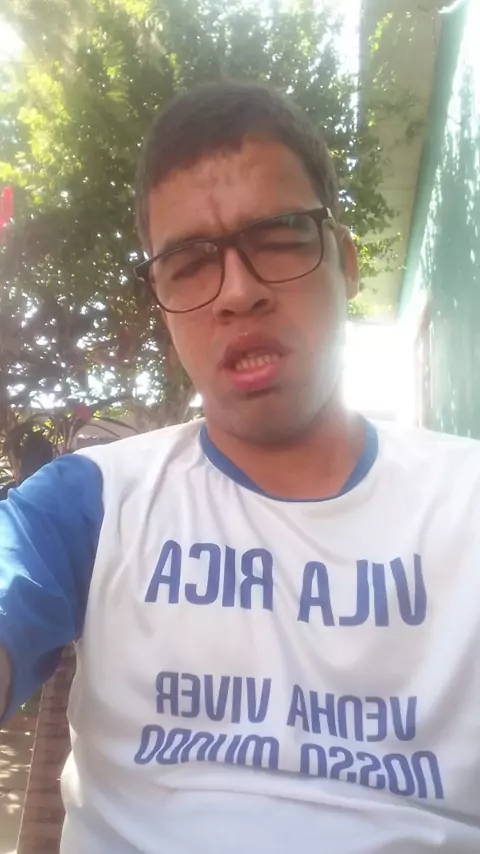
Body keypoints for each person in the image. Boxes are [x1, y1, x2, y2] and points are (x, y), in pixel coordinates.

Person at [0, 81, 479, 854]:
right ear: (163, 305)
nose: (239, 292)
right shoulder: (90, 504)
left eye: (280, 236)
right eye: (189, 262)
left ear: (345, 261)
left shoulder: (465, 504)